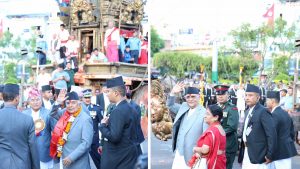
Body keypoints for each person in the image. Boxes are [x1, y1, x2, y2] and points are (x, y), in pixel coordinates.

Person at [99, 76, 139, 169]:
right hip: (128, 156)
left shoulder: (118, 110)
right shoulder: (131, 108)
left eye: (108, 91)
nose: (107, 94)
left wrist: (103, 126)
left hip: (119, 159)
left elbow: (114, 137)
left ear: (116, 93)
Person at [167, 82, 207, 169]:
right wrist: (173, 93)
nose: (190, 99)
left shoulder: (204, 113)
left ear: (199, 97)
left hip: (193, 156)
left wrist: (200, 153)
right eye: (188, 97)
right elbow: (170, 105)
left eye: (193, 96)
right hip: (178, 153)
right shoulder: (184, 107)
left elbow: (206, 137)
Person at [49, 91, 93, 169]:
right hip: (64, 160)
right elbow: (52, 113)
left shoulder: (85, 119)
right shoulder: (64, 113)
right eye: (68, 103)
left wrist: (71, 158)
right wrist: (57, 102)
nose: (70, 106)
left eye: (73, 103)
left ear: (79, 103)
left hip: (78, 163)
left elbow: (86, 143)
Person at [0, 84, 40, 169]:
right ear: (17, 98)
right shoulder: (27, 119)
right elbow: (33, 147)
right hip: (22, 164)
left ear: (3, 97)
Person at [241, 84, 277, 169]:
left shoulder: (263, 111)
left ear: (258, 97)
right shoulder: (247, 111)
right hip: (247, 152)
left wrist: (270, 154)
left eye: (250, 95)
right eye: (246, 95)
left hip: (259, 154)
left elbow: (271, 134)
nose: (247, 98)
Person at [23, 87, 56, 169]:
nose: (35, 102)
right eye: (32, 100)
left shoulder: (48, 113)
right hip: (28, 153)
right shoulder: (24, 114)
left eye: (37, 99)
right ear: (28, 101)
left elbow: (55, 130)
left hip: (44, 152)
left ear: (41, 100)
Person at [265, 91, 297, 169]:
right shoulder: (285, 113)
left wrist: (269, 154)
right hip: (287, 149)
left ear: (272, 101)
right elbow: (292, 133)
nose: (266, 102)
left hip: (278, 152)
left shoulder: (274, 115)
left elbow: (272, 136)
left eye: (267, 100)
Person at [188, 104, 226, 169]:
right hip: (220, 161)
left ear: (216, 117)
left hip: (212, 162)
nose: (204, 116)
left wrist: (195, 149)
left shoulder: (212, 130)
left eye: (207, 114)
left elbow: (205, 150)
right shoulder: (220, 128)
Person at [214, 85, 239, 169]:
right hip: (216, 144)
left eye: (223, 94)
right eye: (218, 94)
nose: (220, 96)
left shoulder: (232, 108)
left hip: (228, 145)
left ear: (228, 95)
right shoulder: (214, 107)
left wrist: (216, 133)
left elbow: (232, 127)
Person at [82, 89, 103, 169]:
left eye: (89, 97)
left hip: (94, 140)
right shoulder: (78, 109)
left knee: (99, 160)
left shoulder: (97, 108)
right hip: (82, 140)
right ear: (82, 98)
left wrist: (101, 140)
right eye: (85, 97)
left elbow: (102, 124)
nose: (87, 99)